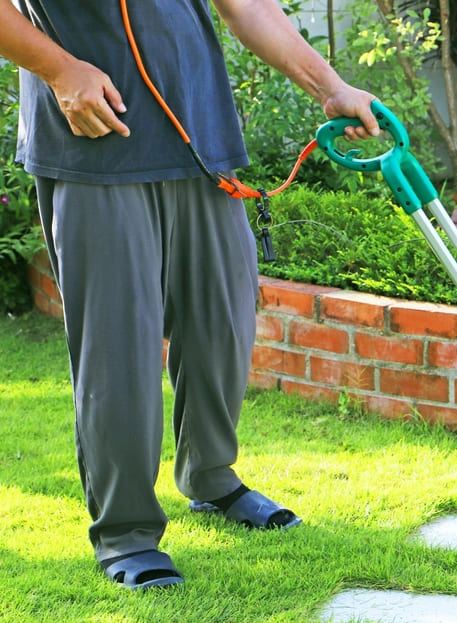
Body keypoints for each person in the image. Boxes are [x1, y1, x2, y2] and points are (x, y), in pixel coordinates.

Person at [0, 0, 381, 590]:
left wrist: (329, 87)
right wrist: (58, 69)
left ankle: (210, 477)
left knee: (221, 325)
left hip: (200, 146)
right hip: (97, 150)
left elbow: (247, 5)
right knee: (118, 349)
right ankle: (126, 531)